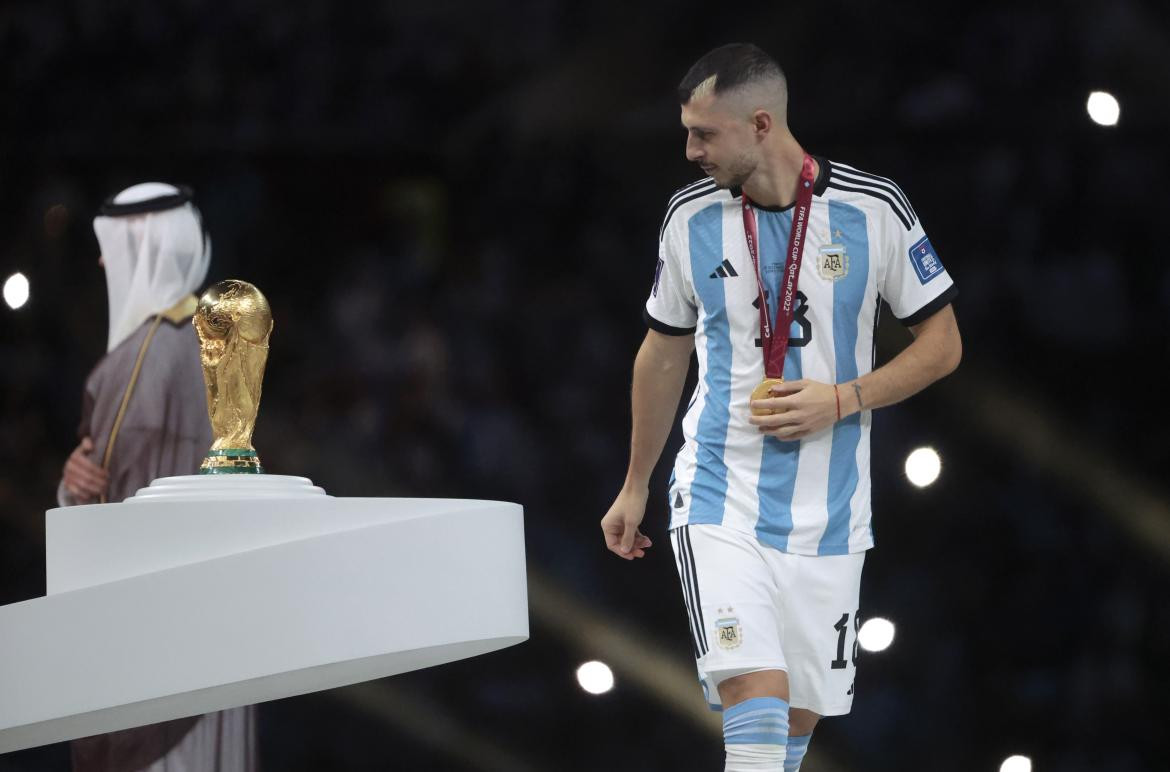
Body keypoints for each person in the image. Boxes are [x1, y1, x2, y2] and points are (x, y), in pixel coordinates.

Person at [600, 44, 962, 771]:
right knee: (757, 704)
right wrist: (637, 480)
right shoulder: (688, 219)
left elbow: (943, 344)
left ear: (761, 123)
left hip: (832, 516)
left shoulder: (873, 208)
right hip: (718, 495)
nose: (690, 150)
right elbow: (663, 352)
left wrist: (843, 399)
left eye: (705, 134)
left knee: (790, 732)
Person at [58, 182, 258, 772]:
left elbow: (104, 504)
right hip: (220, 631)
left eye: (110, 247)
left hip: (152, 646)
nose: (99, 261)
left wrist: (71, 492)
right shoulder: (219, 344)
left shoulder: (141, 358)